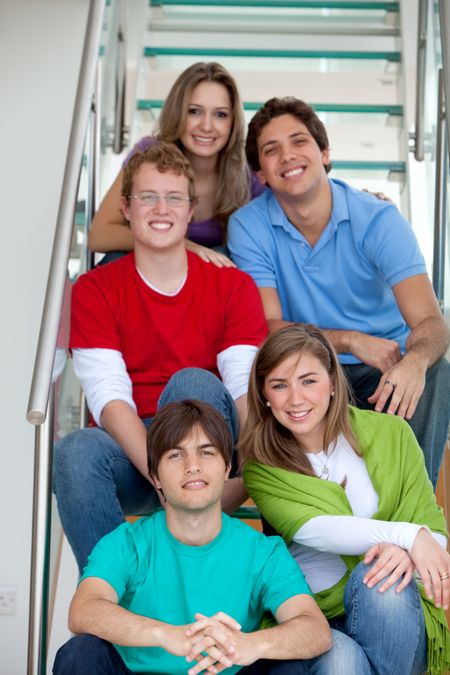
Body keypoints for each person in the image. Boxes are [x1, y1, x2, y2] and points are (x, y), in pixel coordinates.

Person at [55, 399, 398, 675]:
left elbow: (315, 630)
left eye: (206, 452)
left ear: (227, 468)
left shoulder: (262, 552)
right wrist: (168, 635)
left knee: (290, 665)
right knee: (80, 652)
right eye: (175, 455)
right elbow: (83, 610)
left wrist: (249, 645)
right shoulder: (127, 543)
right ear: (155, 476)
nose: (193, 465)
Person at [53, 141, 268, 573]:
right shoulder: (94, 289)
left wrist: (256, 470)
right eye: (147, 197)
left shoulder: (234, 286)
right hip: (137, 452)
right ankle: (112, 591)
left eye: (174, 198)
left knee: (192, 384)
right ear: (126, 208)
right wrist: (163, 477)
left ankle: (190, 560)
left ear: (191, 211)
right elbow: (109, 397)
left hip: (212, 449)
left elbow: (243, 387)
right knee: (74, 451)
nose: (161, 209)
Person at [227, 96, 450, 488]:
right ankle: (298, 521)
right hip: (305, 367)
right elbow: (268, 327)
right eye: (271, 150)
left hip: (384, 368)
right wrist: (349, 340)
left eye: (299, 141)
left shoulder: (378, 219)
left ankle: (412, 513)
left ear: (325, 153)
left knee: (434, 370)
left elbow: (432, 322)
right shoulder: (249, 226)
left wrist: (414, 362)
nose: (287, 155)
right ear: (260, 173)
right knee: (271, 376)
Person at [241, 323, 450, 675]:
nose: (295, 399)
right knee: (341, 660)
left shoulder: (393, 434)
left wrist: (410, 549)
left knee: (382, 579)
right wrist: (407, 537)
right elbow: (318, 530)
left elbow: (434, 534)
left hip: (396, 621)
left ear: (333, 383)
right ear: (264, 394)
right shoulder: (263, 466)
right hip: (317, 619)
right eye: (279, 385)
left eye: (308, 381)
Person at [88, 61, 264, 267]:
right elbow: (99, 235)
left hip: (209, 280)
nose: (206, 126)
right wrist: (186, 247)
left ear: (233, 122)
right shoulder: (149, 155)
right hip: (150, 270)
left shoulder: (249, 172)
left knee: (223, 256)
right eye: (194, 111)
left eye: (220, 114)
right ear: (177, 113)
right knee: (118, 258)